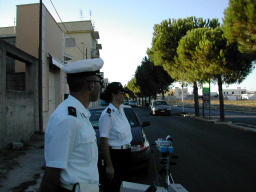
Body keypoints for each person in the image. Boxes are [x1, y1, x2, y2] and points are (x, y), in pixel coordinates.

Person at [39, 58, 104, 192]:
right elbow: (51, 176)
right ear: (91, 85)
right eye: (99, 82)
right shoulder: (68, 119)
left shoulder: (80, 114)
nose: (100, 87)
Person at [99, 82, 133, 192]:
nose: (124, 95)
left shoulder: (121, 109)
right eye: (122, 93)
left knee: (123, 186)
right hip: (115, 156)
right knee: (113, 187)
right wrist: (109, 165)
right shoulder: (107, 115)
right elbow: (104, 142)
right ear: (113, 95)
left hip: (126, 154)